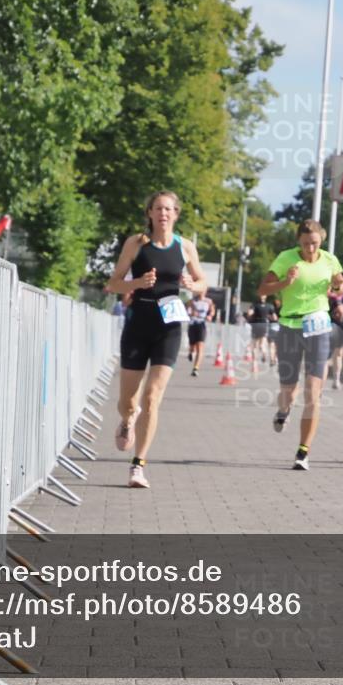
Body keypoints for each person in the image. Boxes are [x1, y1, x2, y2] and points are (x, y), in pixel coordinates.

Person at [105, 191, 207, 488]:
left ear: (176, 214)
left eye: (168, 209)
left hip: (170, 327)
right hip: (139, 324)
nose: (163, 213)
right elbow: (112, 284)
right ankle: (127, 420)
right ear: (149, 213)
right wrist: (137, 283)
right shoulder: (137, 244)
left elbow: (203, 282)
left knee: (152, 398)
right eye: (158, 208)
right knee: (127, 401)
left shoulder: (185, 247)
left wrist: (192, 283)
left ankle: (138, 466)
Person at [258, 219, 343, 471]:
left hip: (318, 326)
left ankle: (303, 451)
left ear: (322, 240)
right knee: (288, 390)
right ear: (299, 241)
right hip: (289, 326)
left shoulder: (329, 260)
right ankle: (283, 411)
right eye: (306, 244)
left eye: (314, 244)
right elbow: (263, 288)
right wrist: (286, 282)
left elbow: (340, 283)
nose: (309, 249)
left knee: (313, 391)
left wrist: (339, 287)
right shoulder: (285, 259)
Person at [186, 290, 215, 377]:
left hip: (202, 324)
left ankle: (196, 368)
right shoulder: (192, 301)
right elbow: (187, 310)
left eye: (203, 291)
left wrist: (210, 316)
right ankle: (191, 352)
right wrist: (191, 313)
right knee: (192, 346)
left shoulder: (208, 301)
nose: (201, 293)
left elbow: (212, 311)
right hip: (192, 324)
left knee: (200, 346)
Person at [246, 295, 276, 364]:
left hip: (255, 325)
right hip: (264, 325)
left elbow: (249, 313)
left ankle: (254, 361)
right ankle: (264, 354)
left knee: (255, 343)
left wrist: (250, 316)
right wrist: (269, 317)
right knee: (263, 343)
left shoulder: (254, 305)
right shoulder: (269, 306)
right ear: (265, 297)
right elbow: (274, 317)